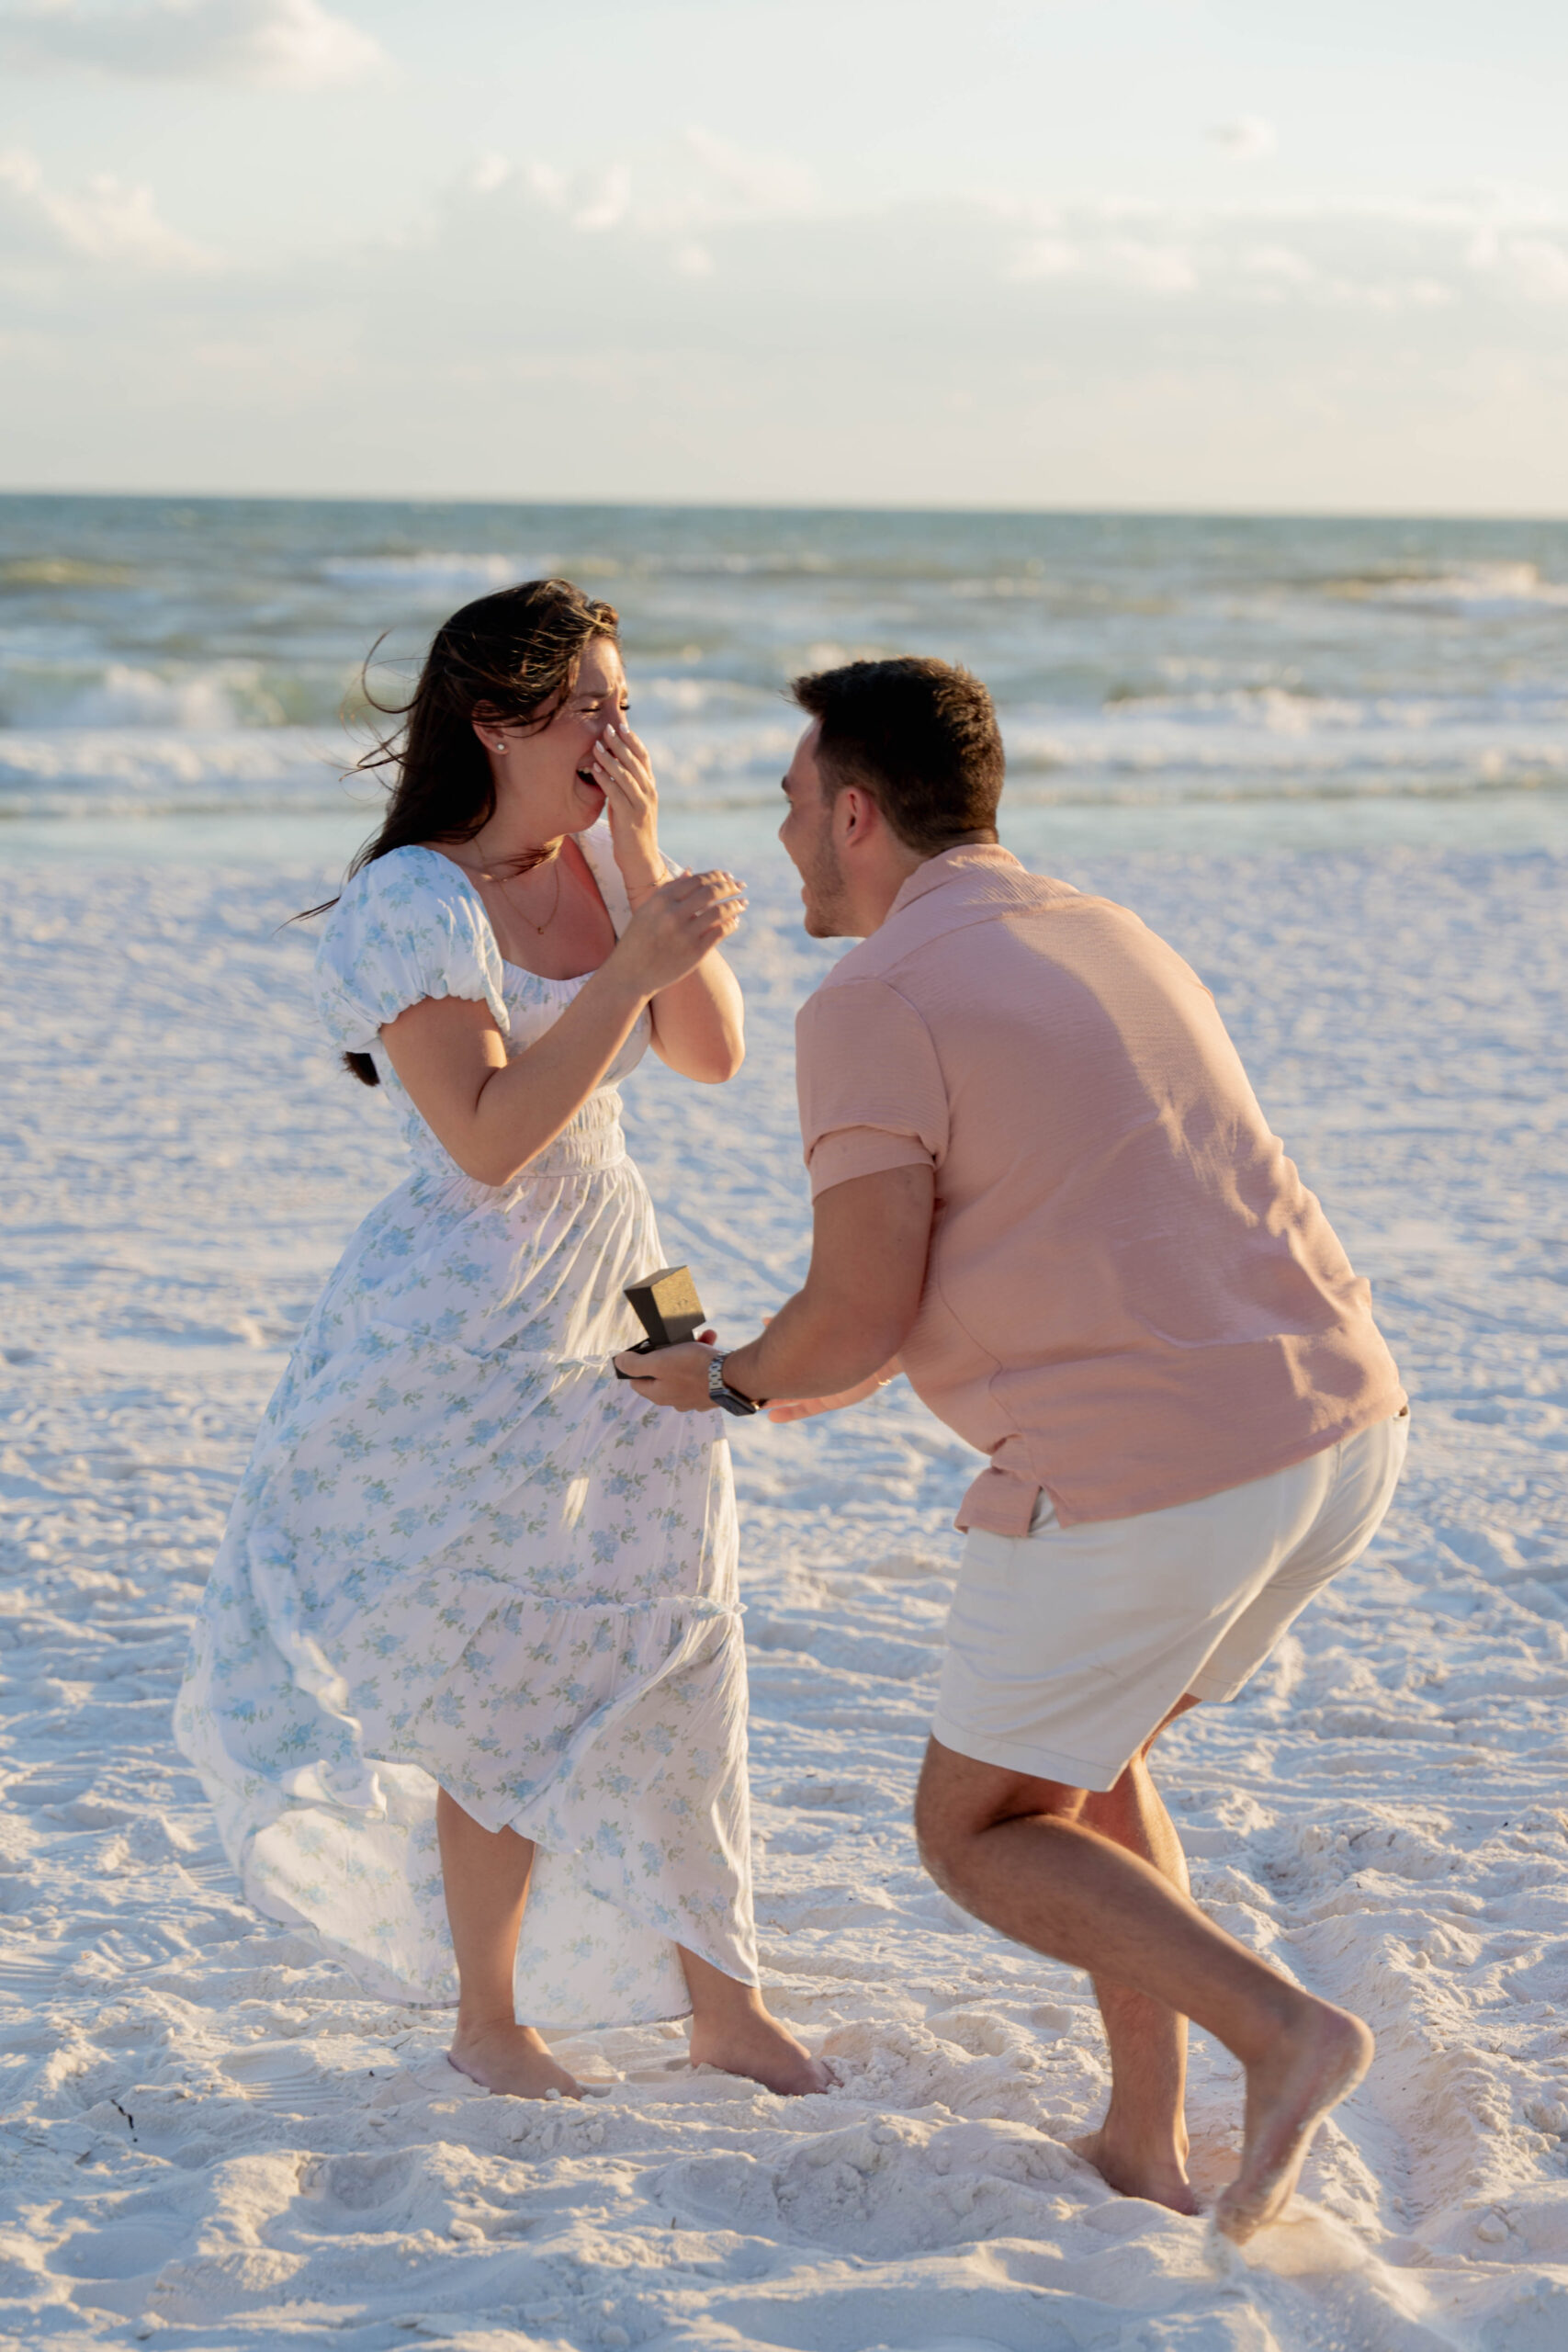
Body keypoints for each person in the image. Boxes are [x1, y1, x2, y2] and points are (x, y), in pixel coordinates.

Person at [620, 655, 1409, 2237]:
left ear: (855, 812)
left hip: (1156, 1475)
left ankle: (1286, 2030)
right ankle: (1141, 2141)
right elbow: (941, 1285)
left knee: (976, 1828)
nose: (779, 844)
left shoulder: (873, 999)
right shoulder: (1098, 927)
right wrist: (777, 1374)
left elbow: (852, 1316)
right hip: (1338, 1431)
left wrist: (724, 1384)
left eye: (788, 807)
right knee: (1086, 1755)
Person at [175, 578, 826, 2101]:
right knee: (505, 1668)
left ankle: (724, 2005)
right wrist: (628, 967)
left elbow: (713, 1053)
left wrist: (642, 873)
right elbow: (484, 1140)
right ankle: (489, 2017)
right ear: (496, 719)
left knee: (684, 1628)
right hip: (461, 1329)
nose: (621, 725)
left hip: (618, 1285)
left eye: (624, 696)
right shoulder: (416, 902)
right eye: (592, 699)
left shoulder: (602, 870)